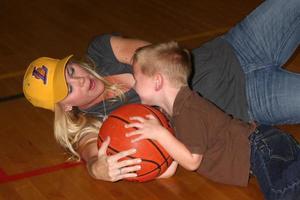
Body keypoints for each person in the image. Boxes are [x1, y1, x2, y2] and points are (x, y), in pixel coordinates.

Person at [23, 0, 299, 182]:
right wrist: (99, 169)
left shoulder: (100, 51)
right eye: (69, 89)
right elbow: (92, 154)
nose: (80, 80)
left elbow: (159, 57)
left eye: (71, 71)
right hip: (249, 101)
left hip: (237, 46)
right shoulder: (97, 124)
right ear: (65, 106)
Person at [125, 41, 300, 200]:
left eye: (136, 78)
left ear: (157, 81)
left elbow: (192, 161)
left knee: (281, 193)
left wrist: (160, 133)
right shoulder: (174, 111)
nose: (133, 86)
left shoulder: (187, 110)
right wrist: (147, 171)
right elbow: (173, 158)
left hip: (259, 147)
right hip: (264, 144)